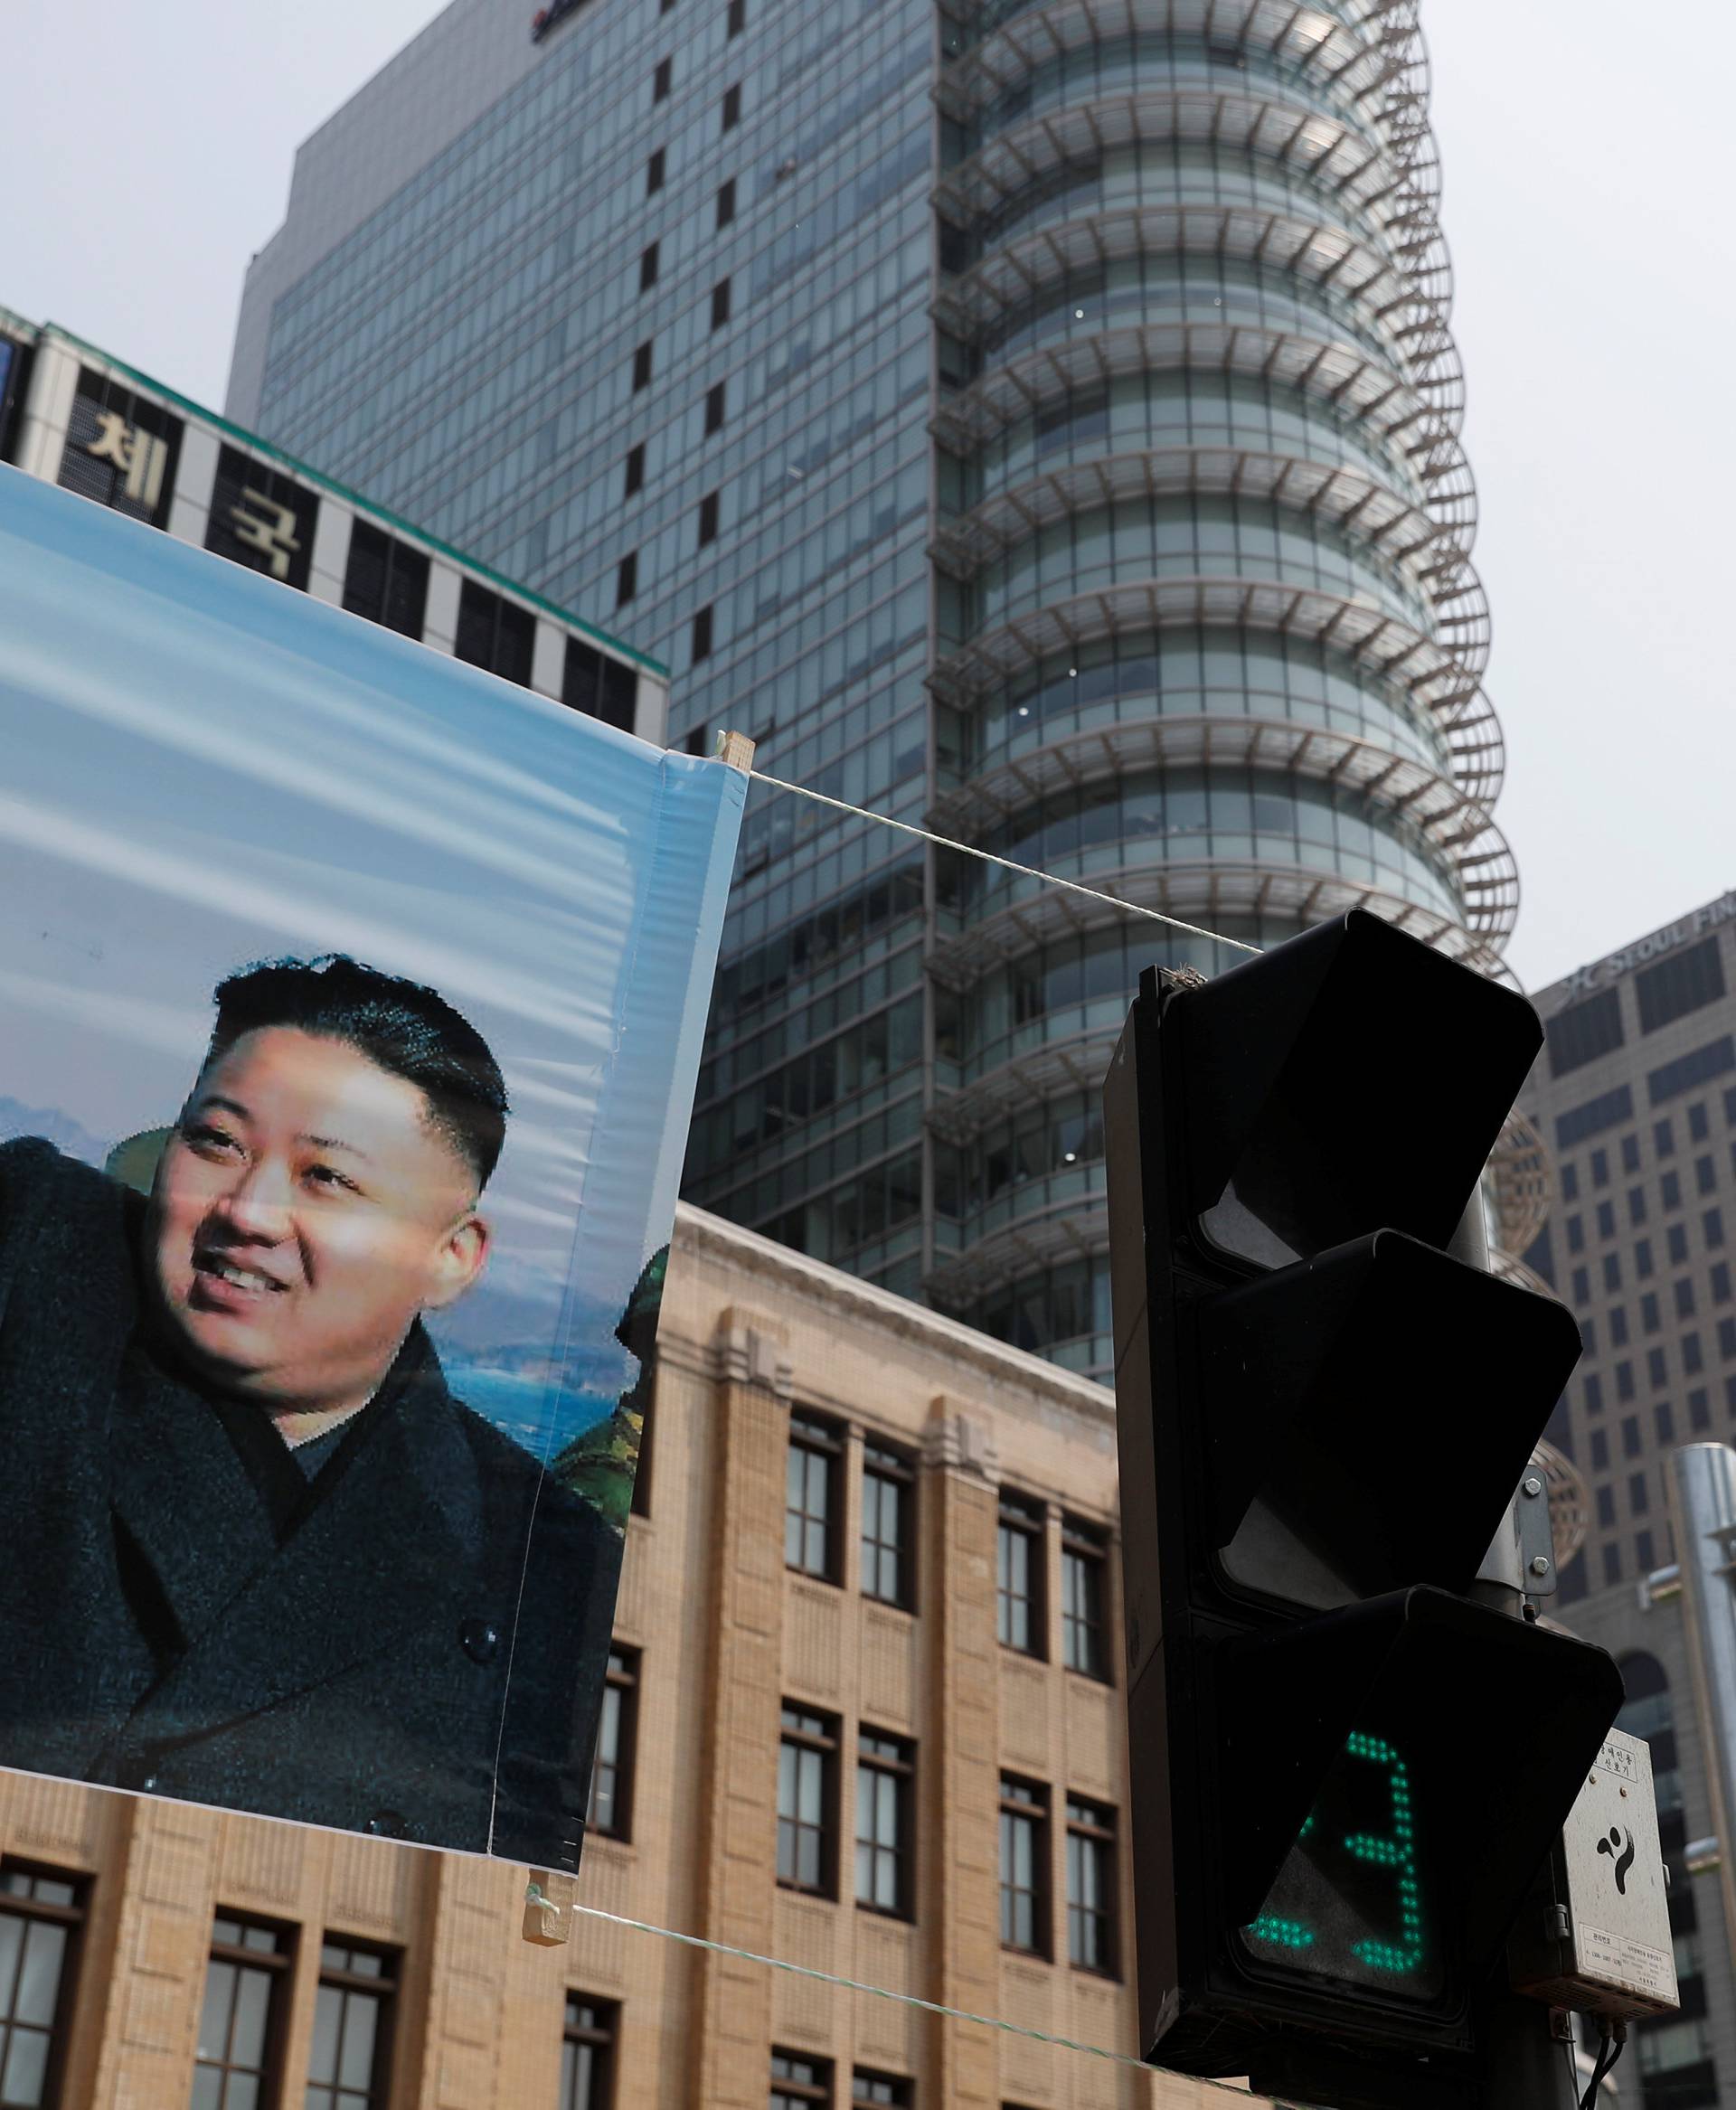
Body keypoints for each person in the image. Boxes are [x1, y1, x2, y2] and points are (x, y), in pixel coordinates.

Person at [0, 956, 617, 1865]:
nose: (249, 1210)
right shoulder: (34, 1269)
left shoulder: (542, 1570)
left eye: (327, 1178)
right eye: (217, 1141)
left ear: (452, 1257)